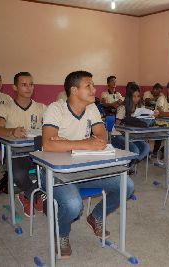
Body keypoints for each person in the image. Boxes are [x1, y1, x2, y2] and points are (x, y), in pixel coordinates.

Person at [41, 71, 134, 257]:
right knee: (74, 205)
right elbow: (48, 144)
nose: (94, 89)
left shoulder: (91, 108)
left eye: (93, 85)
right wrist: (85, 143)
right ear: (74, 90)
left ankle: (96, 217)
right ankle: (61, 233)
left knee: (127, 185)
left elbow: (101, 137)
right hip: (56, 172)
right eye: (88, 86)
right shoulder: (55, 108)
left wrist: (67, 143)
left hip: (86, 169)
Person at [0, 72, 46, 216]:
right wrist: (11, 131)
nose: (28, 88)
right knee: (19, 174)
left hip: (37, 152)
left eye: (31, 84)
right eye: (23, 85)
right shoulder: (5, 107)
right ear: (14, 87)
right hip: (15, 154)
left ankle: (26, 195)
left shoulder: (41, 108)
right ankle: (36, 196)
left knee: (52, 172)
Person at [111, 82, 155, 173]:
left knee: (146, 147)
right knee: (135, 149)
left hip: (132, 136)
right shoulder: (122, 108)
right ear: (128, 97)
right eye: (134, 96)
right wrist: (126, 126)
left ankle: (130, 165)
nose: (136, 99)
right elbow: (117, 126)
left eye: (138, 96)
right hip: (118, 136)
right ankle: (126, 168)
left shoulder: (140, 108)